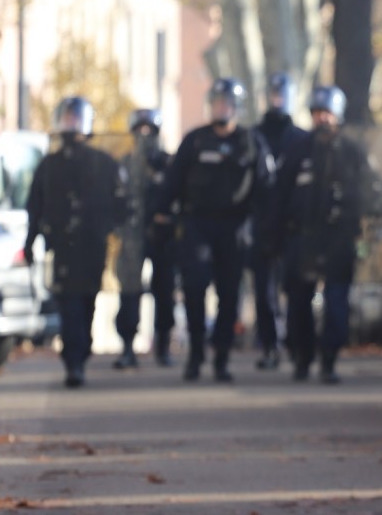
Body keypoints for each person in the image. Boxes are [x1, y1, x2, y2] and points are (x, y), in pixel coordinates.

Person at [154, 78, 274, 383]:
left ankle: (221, 357)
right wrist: (161, 213)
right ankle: (196, 354)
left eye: (226, 104)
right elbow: (172, 181)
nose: (221, 109)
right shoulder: (195, 141)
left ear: (237, 108)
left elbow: (265, 188)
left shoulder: (251, 142)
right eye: (217, 103)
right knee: (194, 288)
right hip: (197, 225)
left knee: (229, 294)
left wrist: (265, 227)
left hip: (235, 228)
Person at [24, 96, 129, 388]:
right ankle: (73, 361)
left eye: (74, 118)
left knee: (87, 300)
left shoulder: (104, 164)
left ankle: (82, 351)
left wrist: (110, 229)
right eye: (66, 118)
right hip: (62, 247)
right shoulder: (49, 165)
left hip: (91, 245)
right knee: (67, 303)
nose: (70, 124)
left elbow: (121, 205)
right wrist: (30, 242)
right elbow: (35, 206)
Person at [276, 85, 378, 384]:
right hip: (302, 237)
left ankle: (329, 358)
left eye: (327, 113)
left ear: (338, 116)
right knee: (298, 302)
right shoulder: (297, 150)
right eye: (317, 113)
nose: (322, 119)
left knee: (336, 301)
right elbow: (279, 194)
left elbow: (371, 193)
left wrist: (363, 221)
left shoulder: (352, 152)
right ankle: (302, 357)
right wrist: (275, 235)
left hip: (338, 239)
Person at [249, 73, 306, 370]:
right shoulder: (252, 137)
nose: (277, 100)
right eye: (273, 95)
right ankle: (269, 345)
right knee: (264, 292)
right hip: (261, 226)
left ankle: (296, 344)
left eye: (282, 95)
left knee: (296, 288)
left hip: (293, 227)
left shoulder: (302, 139)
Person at [113, 108, 177, 369]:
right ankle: (128, 346)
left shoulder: (169, 163)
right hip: (133, 235)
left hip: (163, 237)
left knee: (165, 291)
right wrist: (120, 228)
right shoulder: (125, 164)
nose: (144, 135)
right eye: (139, 129)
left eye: (149, 129)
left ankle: (163, 345)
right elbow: (116, 200)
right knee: (130, 290)